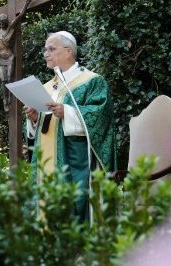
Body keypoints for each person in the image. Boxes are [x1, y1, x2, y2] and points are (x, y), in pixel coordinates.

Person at [24, 31, 116, 222]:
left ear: (68, 51)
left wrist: (67, 112)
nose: (46, 54)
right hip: (44, 162)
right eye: (45, 49)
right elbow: (42, 127)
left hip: (74, 158)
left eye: (51, 49)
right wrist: (34, 119)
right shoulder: (47, 87)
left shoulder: (91, 81)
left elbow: (101, 116)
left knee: (73, 210)